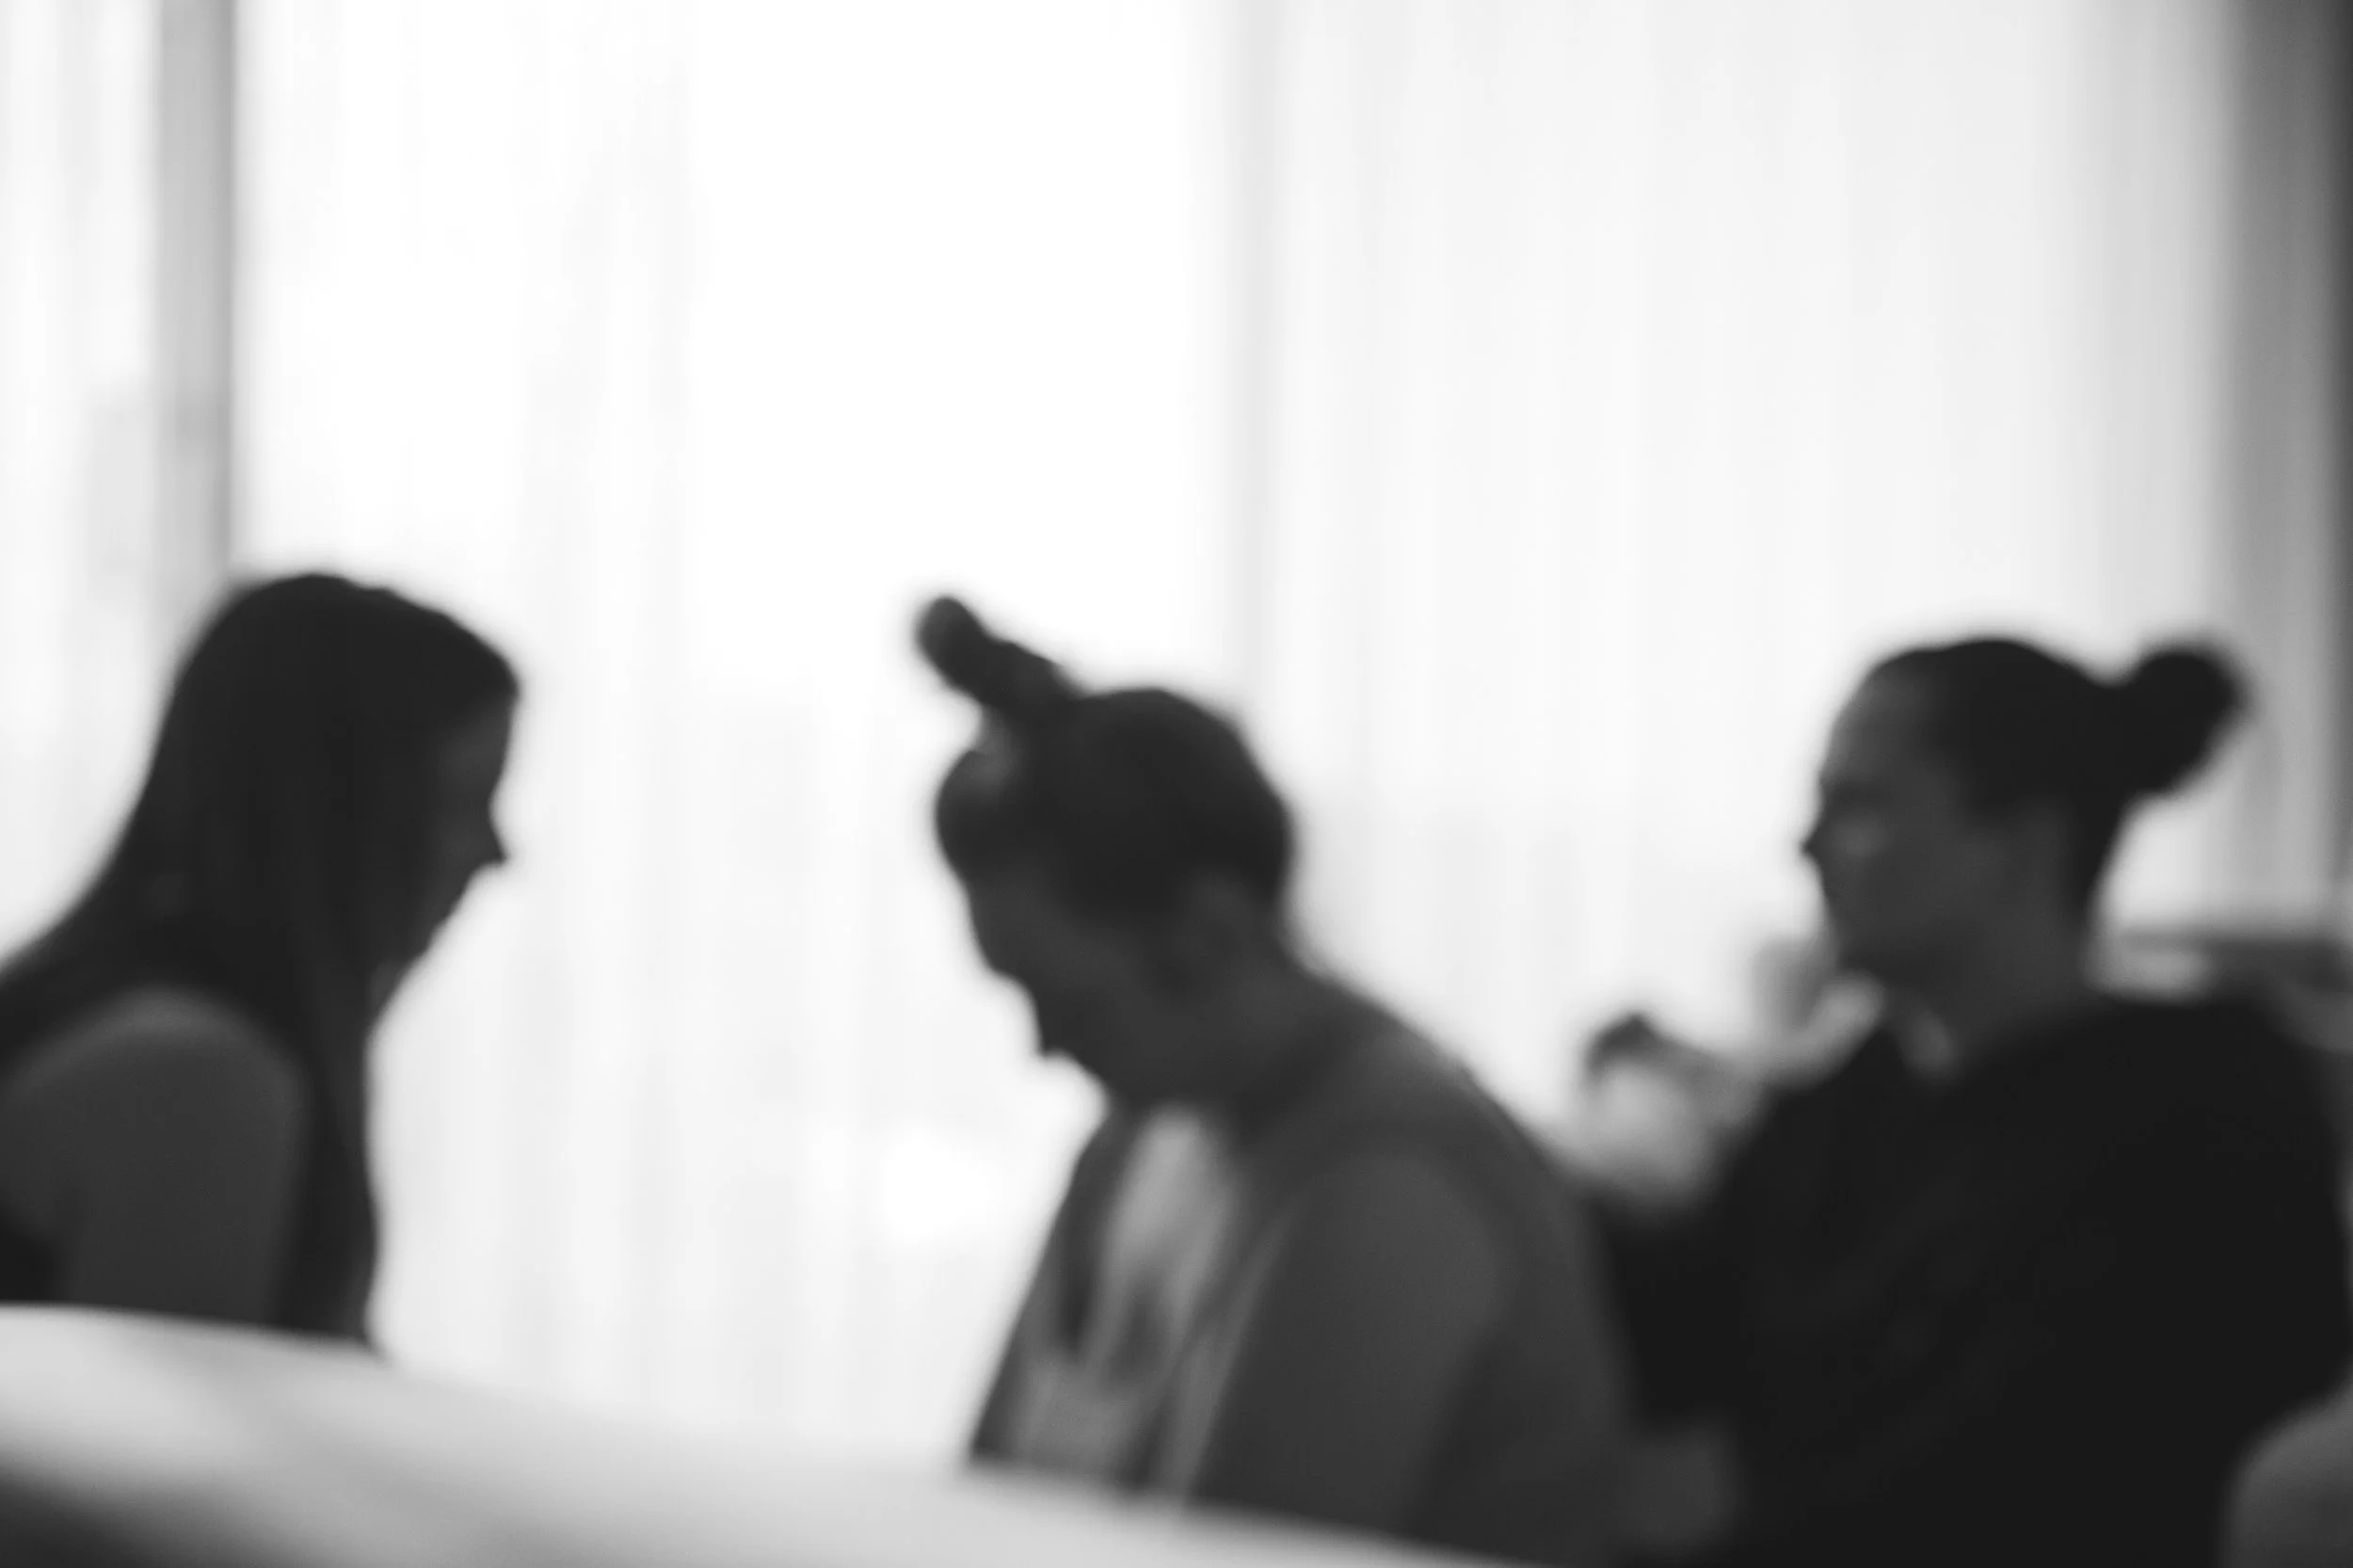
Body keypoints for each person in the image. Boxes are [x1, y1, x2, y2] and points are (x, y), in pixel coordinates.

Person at [1593, 634, 2352, 1568]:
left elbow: (2001, 1497)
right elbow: (1679, 1334)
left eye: (1862, 802)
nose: (1807, 844)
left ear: (2021, 846)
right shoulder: (1855, 1093)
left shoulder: (2204, 1127)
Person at [917, 597, 1624, 1567]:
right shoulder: (1137, 1134)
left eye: (1069, 1000)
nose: (1042, 1047)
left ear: (1208, 930)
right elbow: (979, 1510)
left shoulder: (1389, 1183)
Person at [0, 572, 519, 1341]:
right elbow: (137, 1460)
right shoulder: (195, 1076)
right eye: (459, 802)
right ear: (343, 810)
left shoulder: (137, 1012)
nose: (495, 852)